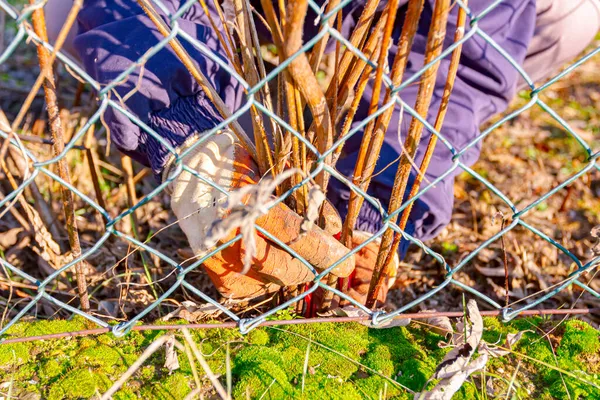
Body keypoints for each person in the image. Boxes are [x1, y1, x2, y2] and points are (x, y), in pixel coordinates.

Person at [45, 0, 600, 306]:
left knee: (572, 9)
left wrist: (377, 196)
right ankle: (237, 86)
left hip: (390, 21)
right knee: (67, 10)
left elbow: (463, 58)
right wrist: (197, 141)